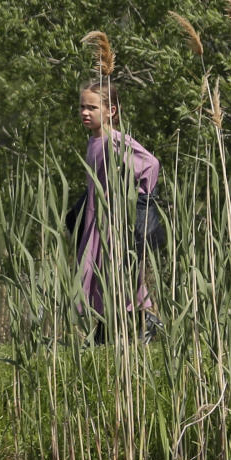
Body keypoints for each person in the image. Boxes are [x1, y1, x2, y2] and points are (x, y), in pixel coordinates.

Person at [75, 80, 161, 344]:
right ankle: (104, 329)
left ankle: (146, 320)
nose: (85, 113)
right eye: (82, 107)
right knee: (94, 272)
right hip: (94, 218)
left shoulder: (115, 141)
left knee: (114, 273)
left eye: (92, 107)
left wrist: (139, 202)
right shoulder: (94, 141)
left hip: (111, 221)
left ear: (110, 110)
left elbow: (150, 164)